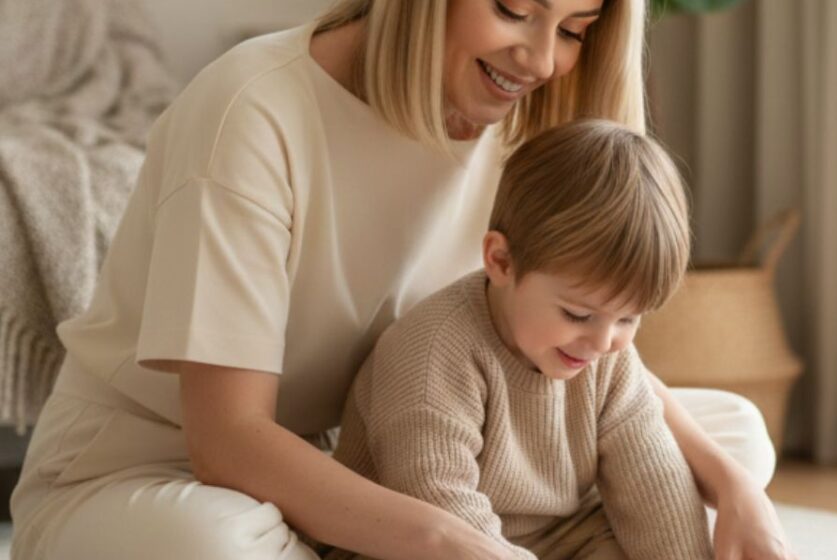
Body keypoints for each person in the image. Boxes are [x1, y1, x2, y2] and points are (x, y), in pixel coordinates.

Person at [10, 1, 793, 559]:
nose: (541, 58)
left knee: (730, 433)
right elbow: (226, 442)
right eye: (515, 10)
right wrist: (448, 541)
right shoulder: (253, 111)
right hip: (167, 473)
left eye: (575, 30)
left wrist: (734, 491)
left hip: (372, 449)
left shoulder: (516, 112)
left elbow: (602, 363)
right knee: (213, 547)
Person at [328, 119, 713, 560]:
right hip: (422, 543)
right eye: (578, 314)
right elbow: (440, 507)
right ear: (501, 261)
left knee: (669, 503)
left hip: (556, 536)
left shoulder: (607, 355)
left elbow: (653, 482)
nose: (604, 342)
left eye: (629, 318)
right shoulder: (433, 354)